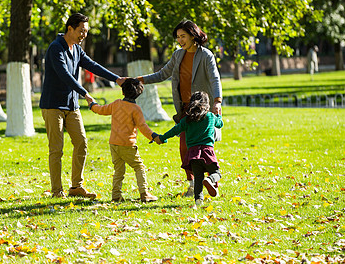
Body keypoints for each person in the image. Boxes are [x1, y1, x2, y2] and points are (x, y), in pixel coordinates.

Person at [40, 13, 125, 199]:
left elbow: (92, 65)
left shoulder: (77, 50)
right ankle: (56, 191)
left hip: (71, 105)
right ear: (70, 28)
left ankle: (76, 186)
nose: (83, 35)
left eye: (86, 32)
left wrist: (116, 78)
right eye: (81, 31)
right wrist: (84, 93)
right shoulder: (56, 48)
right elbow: (64, 75)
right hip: (53, 105)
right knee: (57, 148)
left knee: (81, 143)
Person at [137, 20, 222, 197]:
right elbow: (163, 74)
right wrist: (142, 79)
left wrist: (217, 101)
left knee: (204, 146)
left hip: (202, 109)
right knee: (185, 147)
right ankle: (193, 183)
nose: (180, 40)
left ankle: (211, 180)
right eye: (178, 37)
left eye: (183, 36)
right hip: (185, 109)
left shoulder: (206, 55)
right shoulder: (178, 55)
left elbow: (215, 79)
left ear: (193, 35)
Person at [88, 78, 159, 202]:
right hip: (128, 145)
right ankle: (144, 193)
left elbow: (101, 110)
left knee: (118, 171)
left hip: (114, 144)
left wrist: (93, 105)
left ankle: (116, 196)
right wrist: (153, 136)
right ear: (138, 94)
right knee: (139, 167)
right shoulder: (135, 109)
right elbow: (143, 127)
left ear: (122, 92)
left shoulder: (116, 104)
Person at [157, 91, 223, 208]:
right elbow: (220, 124)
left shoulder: (187, 119)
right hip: (207, 151)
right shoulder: (210, 116)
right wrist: (218, 115)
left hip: (192, 153)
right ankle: (210, 179)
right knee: (216, 173)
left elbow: (174, 130)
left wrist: (162, 138)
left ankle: (198, 200)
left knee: (198, 178)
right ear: (206, 104)